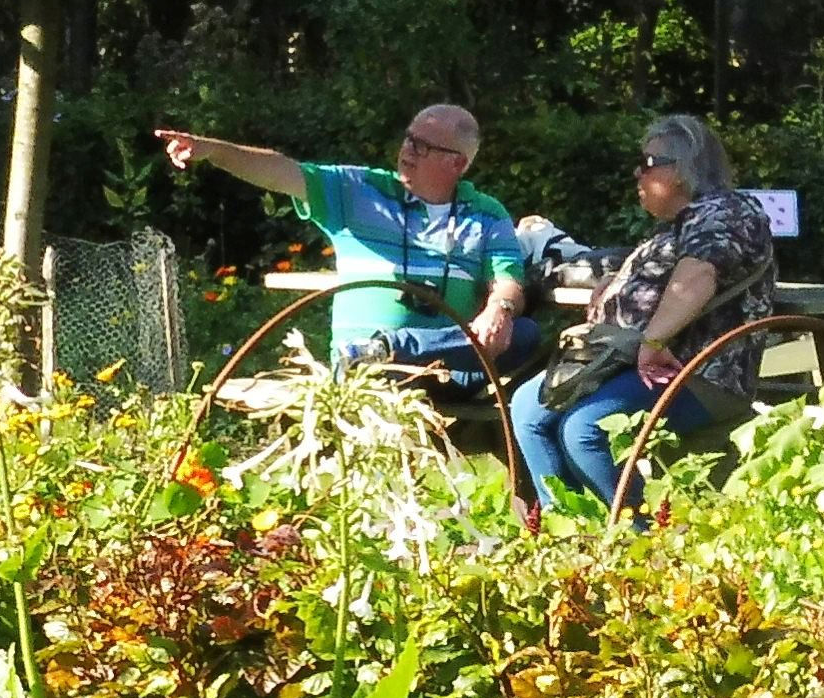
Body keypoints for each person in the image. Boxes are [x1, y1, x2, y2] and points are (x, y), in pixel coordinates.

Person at [510, 114, 778, 511]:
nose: (638, 172)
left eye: (648, 162)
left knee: (585, 430)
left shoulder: (728, 212)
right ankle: (566, 528)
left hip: (698, 371)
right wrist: (616, 285)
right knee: (529, 408)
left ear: (682, 170)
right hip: (625, 364)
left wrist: (653, 340)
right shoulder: (676, 226)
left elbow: (699, 274)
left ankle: (641, 536)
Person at [154, 106, 526, 384]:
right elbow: (284, 171)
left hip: (446, 374)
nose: (407, 150)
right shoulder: (359, 191)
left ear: (457, 163)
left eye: (423, 145)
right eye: (408, 138)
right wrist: (212, 150)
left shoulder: (486, 213)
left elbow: (508, 280)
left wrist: (501, 309)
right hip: (364, 372)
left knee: (528, 334)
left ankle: (396, 346)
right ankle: (380, 351)